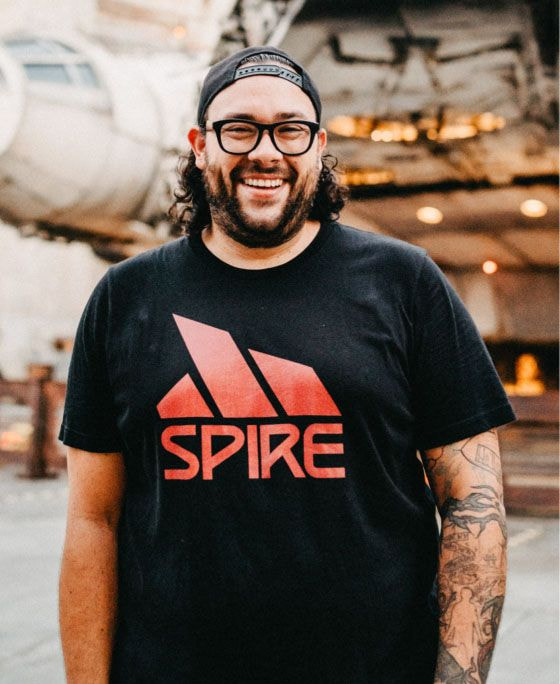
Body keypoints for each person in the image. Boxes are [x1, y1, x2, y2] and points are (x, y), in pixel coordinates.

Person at [58, 46, 516, 684]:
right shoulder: (125, 297)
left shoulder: (404, 283)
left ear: (318, 144)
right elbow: (92, 519)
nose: (265, 151)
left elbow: (473, 504)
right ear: (200, 145)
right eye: (239, 128)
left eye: (289, 129)